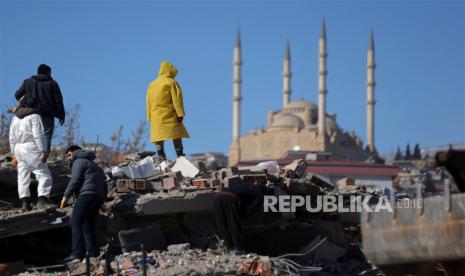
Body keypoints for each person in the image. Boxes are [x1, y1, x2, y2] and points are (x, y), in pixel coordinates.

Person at [60, 145, 107, 261]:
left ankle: (76, 254)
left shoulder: (79, 162)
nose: (68, 159)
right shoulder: (94, 165)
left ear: (75, 152)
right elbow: (104, 183)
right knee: (87, 225)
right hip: (97, 197)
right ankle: (92, 253)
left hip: (86, 195)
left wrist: (66, 196)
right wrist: (102, 201)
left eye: (69, 155)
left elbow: (75, 179)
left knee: (74, 222)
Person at [9, 97, 55, 211]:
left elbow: (11, 137)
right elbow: (38, 135)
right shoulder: (34, 116)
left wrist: (13, 153)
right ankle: (42, 201)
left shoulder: (15, 118)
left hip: (19, 148)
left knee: (23, 176)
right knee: (43, 174)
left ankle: (25, 203)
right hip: (31, 147)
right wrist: (43, 151)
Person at [15, 64, 65, 152]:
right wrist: (61, 115)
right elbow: (58, 101)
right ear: (48, 72)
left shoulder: (28, 82)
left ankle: (32, 158)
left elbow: (17, 95)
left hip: (30, 115)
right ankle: (44, 158)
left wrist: (26, 100)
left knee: (31, 137)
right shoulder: (53, 84)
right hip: (47, 115)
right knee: (46, 137)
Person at [146, 60, 189, 160]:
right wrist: (180, 113)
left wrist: (149, 115)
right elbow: (177, 99)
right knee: (176, 134)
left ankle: (160, 156)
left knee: (158, 137)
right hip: (170, 114)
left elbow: (148, 101)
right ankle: (180, 155)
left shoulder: (152, 85)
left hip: (156, 115)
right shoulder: (171, 82)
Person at [213, 181, 265, 251]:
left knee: (222, 224)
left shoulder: (246, 185)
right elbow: (253, 207)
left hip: (217, 198)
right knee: (233, 224)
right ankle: (237, 248)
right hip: (229, 198)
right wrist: (242, 216)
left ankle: (228, 247)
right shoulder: (260, 193)